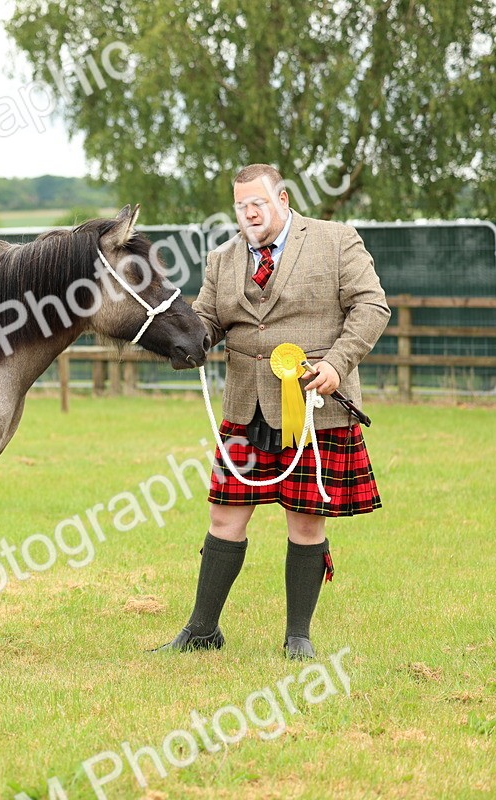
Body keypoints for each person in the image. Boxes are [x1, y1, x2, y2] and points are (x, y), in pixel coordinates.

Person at [157, 163, 390, 659]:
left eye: (258, 203)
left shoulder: (335, 240)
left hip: (312, 406)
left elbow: (372, 307)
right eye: (241, 206)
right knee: (224, 518)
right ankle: (202, 630)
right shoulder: (222, 258)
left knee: (306, 522)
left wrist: (336, 363)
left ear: (283, 200)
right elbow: (208, 321)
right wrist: (182, 340)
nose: (249, 213)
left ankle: (298, 636)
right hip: (246, 410)